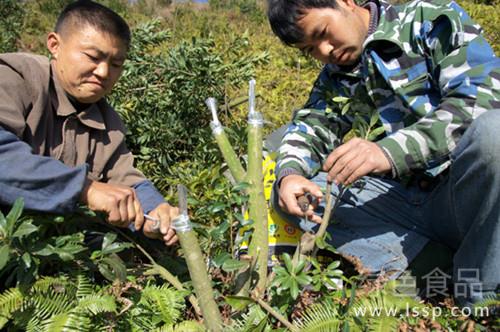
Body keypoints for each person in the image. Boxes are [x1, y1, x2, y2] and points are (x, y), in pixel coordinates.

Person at [267, 0, 499, 307]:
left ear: (346, 2)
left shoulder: (428, 20)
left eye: (323, 32)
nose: (325, 51)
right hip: (407, 201)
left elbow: (482, 98)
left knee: (494, 134)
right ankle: (423, 260)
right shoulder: (337, 74)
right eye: (310, 49)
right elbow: (311, 125)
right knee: (290, 197)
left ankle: (481, 298)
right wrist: (291, 174)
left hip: (464, 192)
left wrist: (389, 152)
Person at [0, 0, 178, 246]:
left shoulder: (107, 121)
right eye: (93, 57)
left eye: (116, 64)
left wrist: (156, 209)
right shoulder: (14, 78)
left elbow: (126, 178)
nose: (104, 72)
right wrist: (85, 189)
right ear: (55, 45)